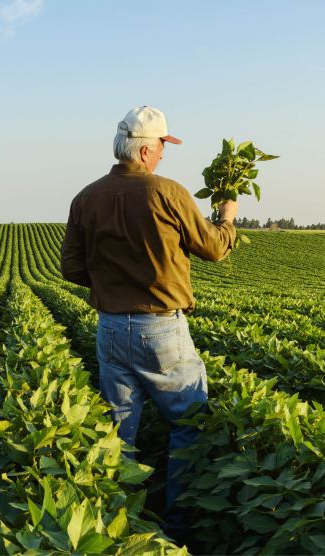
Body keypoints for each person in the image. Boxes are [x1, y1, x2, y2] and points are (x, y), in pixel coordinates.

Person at [60, 106, 237, 543]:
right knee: (189, 425)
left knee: (119, 432)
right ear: (143, 150)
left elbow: (71, 268)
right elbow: (214, 249)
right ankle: (176, 530)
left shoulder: (86, 197)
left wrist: (109, 280)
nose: (162, 155)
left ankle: (118, 528)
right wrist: (227, 217)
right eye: (160, 146)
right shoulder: (169, 192)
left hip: (109, 329)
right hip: (161, 329)